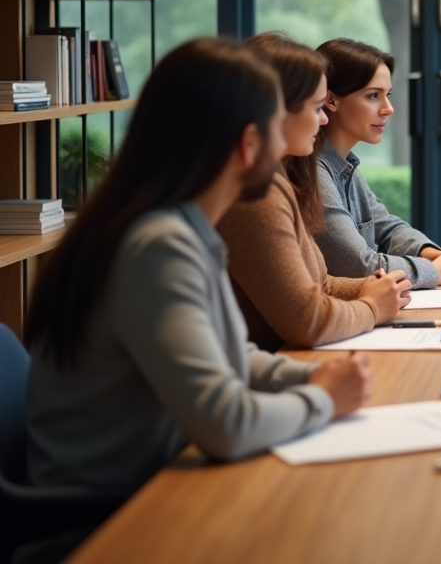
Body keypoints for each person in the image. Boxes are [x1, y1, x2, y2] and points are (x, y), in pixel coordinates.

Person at [24, 38, 373, 491]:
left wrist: (316, 377)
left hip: (155, 486)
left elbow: (230, 355)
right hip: (111, 523)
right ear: (249, 143)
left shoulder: (179, 226)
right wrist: (322, 398)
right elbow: (226, 425)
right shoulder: (156, 247)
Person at [217, 33, 411, 352]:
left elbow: (320, 284)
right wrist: (373, 307)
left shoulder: (275, 180)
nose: (323, 120)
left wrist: (374, 288)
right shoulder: (254, 194)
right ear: (277, 110)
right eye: (317, 107)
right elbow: (307, 321)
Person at [313, 38, 441, 287]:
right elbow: (359, 266)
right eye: (373, 96)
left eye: (386, 95)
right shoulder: (314, 172)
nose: (388, 108)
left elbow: (387, 228)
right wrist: (435, 271)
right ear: (332, 100)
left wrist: (438, 255)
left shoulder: (345, 166)